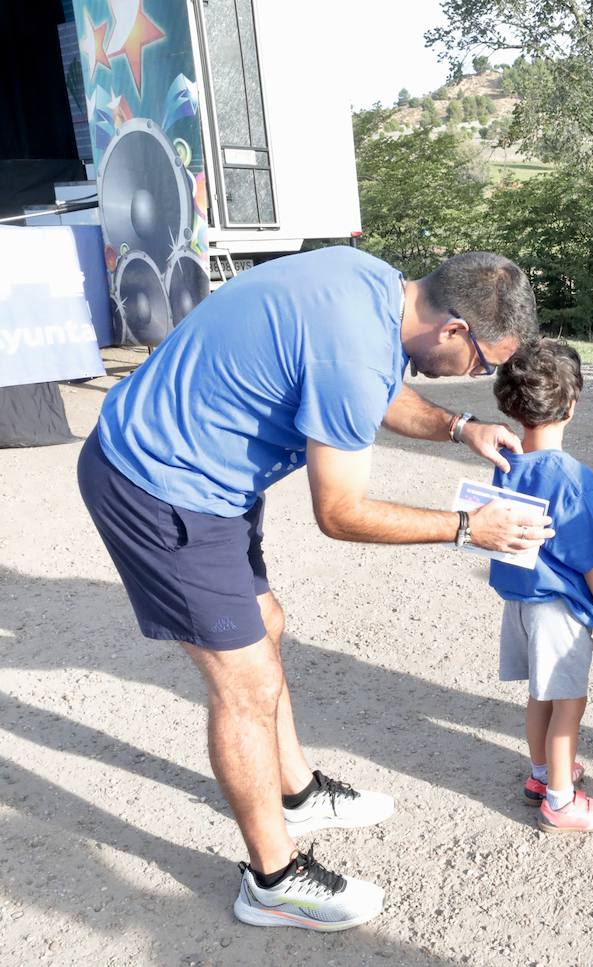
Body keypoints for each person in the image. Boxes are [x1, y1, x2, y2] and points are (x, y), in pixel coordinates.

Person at [76, 246, 548, 931]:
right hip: (157, 484)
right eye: (485, 362)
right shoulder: (355, 352)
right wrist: (467, 528)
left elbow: (374, 385)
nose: (482, 374)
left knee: (266, 624)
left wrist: (459, 427)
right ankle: (273, 879)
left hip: (206, 475)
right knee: (246, 685)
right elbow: (341, 513)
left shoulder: (373, 287)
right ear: (452, 330)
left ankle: (296, 792)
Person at [488, 338, 593, 833]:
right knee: (568, 703)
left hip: (520, 603)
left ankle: (541, 774)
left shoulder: (505, 463)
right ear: (571, 405)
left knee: (538, 697)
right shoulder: (571, 474)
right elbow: (590, 554)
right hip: (559, 610)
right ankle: (561, 800)